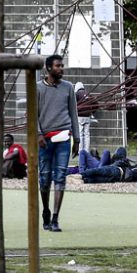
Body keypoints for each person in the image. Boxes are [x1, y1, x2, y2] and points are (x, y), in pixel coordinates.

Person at [36, 54, 80, 233]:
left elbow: (73, 113)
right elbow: (33, 113)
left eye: (62, 66)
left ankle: (55, 218)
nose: (61, 69)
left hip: (64, 137)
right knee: (44, 178)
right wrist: (39, 134)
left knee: (60, 176)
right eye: (58, 66)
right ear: (48, 68)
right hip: (45, 139)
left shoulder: (68, 87)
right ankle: (45, 210)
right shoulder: (37, 88)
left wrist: (76, 139)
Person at [75, 82, 96, 154]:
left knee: (80, 133)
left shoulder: (76, 94)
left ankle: (80, 151)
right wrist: (92, 112)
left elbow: (72, 104)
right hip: (87, 116)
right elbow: (96, 104)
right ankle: (87, 150)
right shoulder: (88, 94)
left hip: (79, 116)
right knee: (87, 134)